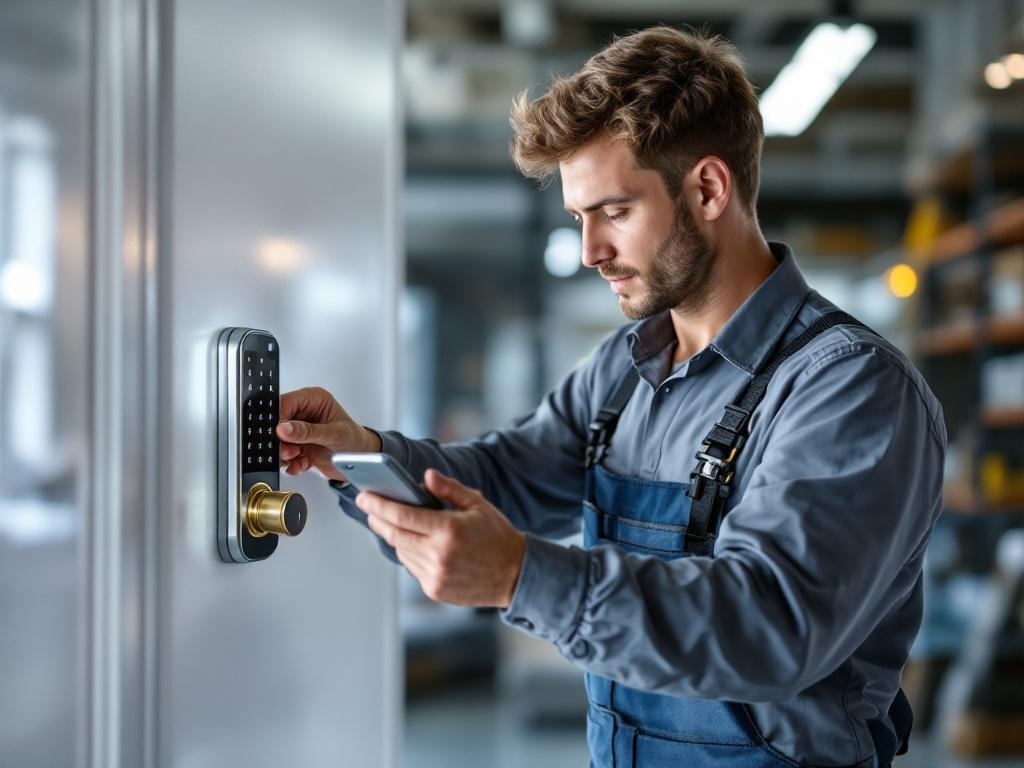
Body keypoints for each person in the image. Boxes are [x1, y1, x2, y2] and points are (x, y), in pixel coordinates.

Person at [277, 26, 945, 768]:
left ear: (709, 189)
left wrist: (522, 577)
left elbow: (769, 624)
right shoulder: (623, 369)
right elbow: (506, 478)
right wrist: (360, 455)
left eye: (615, 211)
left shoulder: (848, 387)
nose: (591, 249)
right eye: (579, 217)